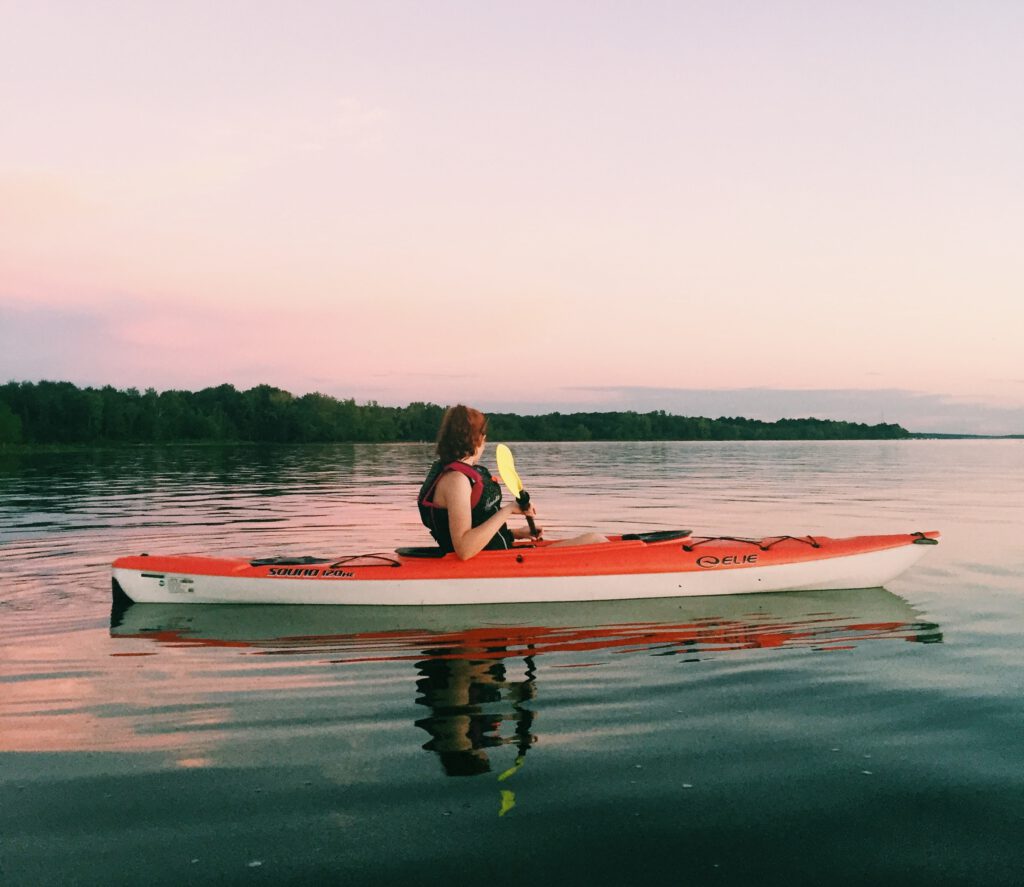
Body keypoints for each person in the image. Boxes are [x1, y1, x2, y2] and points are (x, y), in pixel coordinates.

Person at [418, 405, 606, 560]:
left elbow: (478, 528)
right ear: (480, 439)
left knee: (595, 540)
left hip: (502, 554)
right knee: (596, 540)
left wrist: (516, 533)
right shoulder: (457, 480)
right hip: (493, 564)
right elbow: (465, 549)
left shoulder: (461, 474)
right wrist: (508, 510)